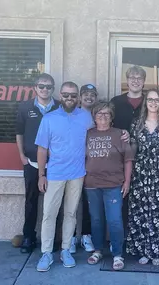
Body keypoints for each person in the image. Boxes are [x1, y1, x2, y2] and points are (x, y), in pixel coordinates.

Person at [35, 81, 94, 272]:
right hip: (54, 174)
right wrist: (41, 175)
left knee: (71, 214)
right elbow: (42, 149)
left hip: (77, 174)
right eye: (66, 95)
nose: (70, 98)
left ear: (77, 97)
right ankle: (46, 253)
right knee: (49, 214)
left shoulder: (86, 117)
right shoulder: (49, 119)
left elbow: (95, 139)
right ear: (60, 96)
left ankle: (66, 249)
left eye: (73, 95)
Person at [126, 89, 159, 266]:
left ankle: (156, 251)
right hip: (140, 173)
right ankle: (143, 251)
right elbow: (132, 147)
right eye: (150, 99)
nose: (153, 103)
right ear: (145, 102)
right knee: (140, 212)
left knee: (157, 213)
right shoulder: (137, 123)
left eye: (156, 100)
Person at [85, 101, 134, 271]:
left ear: (112, 117)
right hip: (91, 184)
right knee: (97, 220)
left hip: (114, 184)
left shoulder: (120, 134)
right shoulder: (87, 134)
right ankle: (98, 250)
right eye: (99, 114)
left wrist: (127, 181)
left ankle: (117, 254)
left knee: (114, 220)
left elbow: (128, 159)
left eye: (106, 114)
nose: (103, 117)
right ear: (94, 117)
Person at [16, 73, 59, 253]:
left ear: (53, 89)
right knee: (31, 202)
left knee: (57, 204)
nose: (44, 90)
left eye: (48, 87)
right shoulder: (25, 107)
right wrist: (21, 156)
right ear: (35, 88)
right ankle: (28, 236)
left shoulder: (59, 107)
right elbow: (19, 132)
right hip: (32, 163)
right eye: (41, 86)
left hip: (55, 164)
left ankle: (54, 239)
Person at [110, 65, 146, 233]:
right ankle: (121, 239)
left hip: (146, 159)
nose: (135, 81)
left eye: (139, 78)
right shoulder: (116, 102)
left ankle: (138, 237)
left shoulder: (150, 102)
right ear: (127, 80)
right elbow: (106, 127)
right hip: (119, 159)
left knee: (141, 201)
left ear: (144, 82)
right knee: (121, 197)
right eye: (132, 77)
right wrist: (120, 133)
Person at [70, 84, 98, 254]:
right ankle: (71, 237)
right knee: (72, 203)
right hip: (73, 165)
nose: (89, 97)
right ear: (80, 97)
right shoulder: (71, 114)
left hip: (91, 166)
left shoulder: (98, 115)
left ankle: (86, 236)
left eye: (92, 94)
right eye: (85, 94)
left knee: (88, 204)